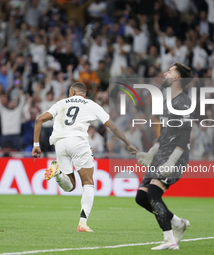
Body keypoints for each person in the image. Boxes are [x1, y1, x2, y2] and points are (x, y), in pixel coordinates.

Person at [32, 82, 138, 232]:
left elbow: (38, 120)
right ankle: (82, 222)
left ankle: (57, 174)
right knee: (88, 182)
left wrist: (36, 144)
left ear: (72, 93)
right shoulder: (91, 105)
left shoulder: (60, 103)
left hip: (60, 144)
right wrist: (127, 143)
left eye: (70, 93)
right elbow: (112, 126)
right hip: (78, 142)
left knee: (70, 185)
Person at [135, 62, 193, 250]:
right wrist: (152, 152)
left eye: (170, 71)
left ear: (177, 77)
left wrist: (172, 160)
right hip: (162, 153)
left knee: (153, 193)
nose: (165, 73)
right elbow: (165, 134)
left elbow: (184, 137)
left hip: (176, 155)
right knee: (141, 198)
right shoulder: (168, 102)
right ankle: (177, 222)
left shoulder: (184, 103)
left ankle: (169, 239)